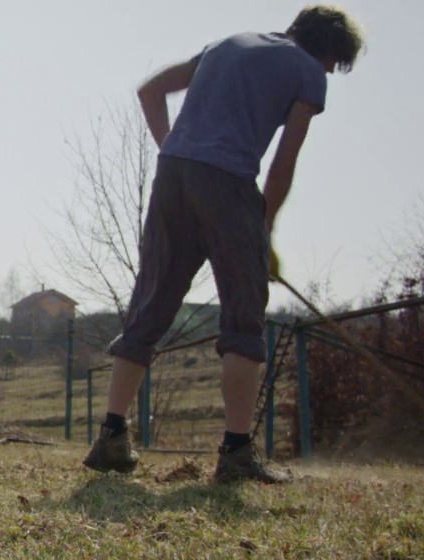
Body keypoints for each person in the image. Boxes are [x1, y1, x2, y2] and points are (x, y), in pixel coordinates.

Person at [82, 5, 365, 483]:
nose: (329, 74)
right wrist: (264, 228)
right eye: (334, 65)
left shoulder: (227, 43)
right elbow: (283, 160)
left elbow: (149, 91)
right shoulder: (307, 73)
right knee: (243, 315)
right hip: (230, 181)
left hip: (172, 175)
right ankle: (236, 453)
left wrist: (176, 150)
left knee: (150, 304)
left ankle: (111, 437)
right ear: (328, 52)